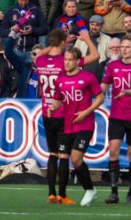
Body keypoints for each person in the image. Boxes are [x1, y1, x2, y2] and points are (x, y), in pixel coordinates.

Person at [35, 28, 100, 205]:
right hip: (64, 113)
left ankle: (51, 193)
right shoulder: (63, 63)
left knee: (52, 154)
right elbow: (95, 56)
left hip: (47, 111)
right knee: (64, 156)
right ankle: (62, 195)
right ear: (63, 43)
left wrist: (55, 43)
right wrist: (85, 39)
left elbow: (40, 53)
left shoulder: (41, 60)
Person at [48, 46, 105, 207]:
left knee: (76, 157)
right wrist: (53, 107)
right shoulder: (60, 79)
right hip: (67, 125)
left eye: (69, 60)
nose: (66, 63)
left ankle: (89, 189)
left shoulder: (88, 77)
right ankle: (90, 189)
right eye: (65, 59)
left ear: (78, 61)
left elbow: (100, 98)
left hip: (85, 123)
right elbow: (58, 99)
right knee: (69, 159)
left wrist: (86, 112)